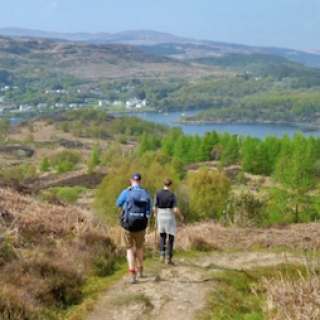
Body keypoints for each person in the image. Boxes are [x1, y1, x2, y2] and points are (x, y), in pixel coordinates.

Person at [116, 173, 151, 283]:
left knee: (129, 249)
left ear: (131, 180)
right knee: (139, 248)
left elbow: (118, 203)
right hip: (141, 225)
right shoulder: (145, 193)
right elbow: (148, 211)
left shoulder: (127, 192)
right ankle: (140, 270)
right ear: (140, 181)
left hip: (127, 225)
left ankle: (132, 274)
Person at [153, 178, 184, 265]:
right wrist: (181, 217)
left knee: (162, 236)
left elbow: (154, 207)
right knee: (170, 238)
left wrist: (155, 214)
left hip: (161, 216)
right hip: (169, 217)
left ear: (164, 184)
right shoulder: (172, 195)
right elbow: (175, 209)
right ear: (170, 185)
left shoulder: (157, 194)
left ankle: (162, 255)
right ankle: (168, 258)